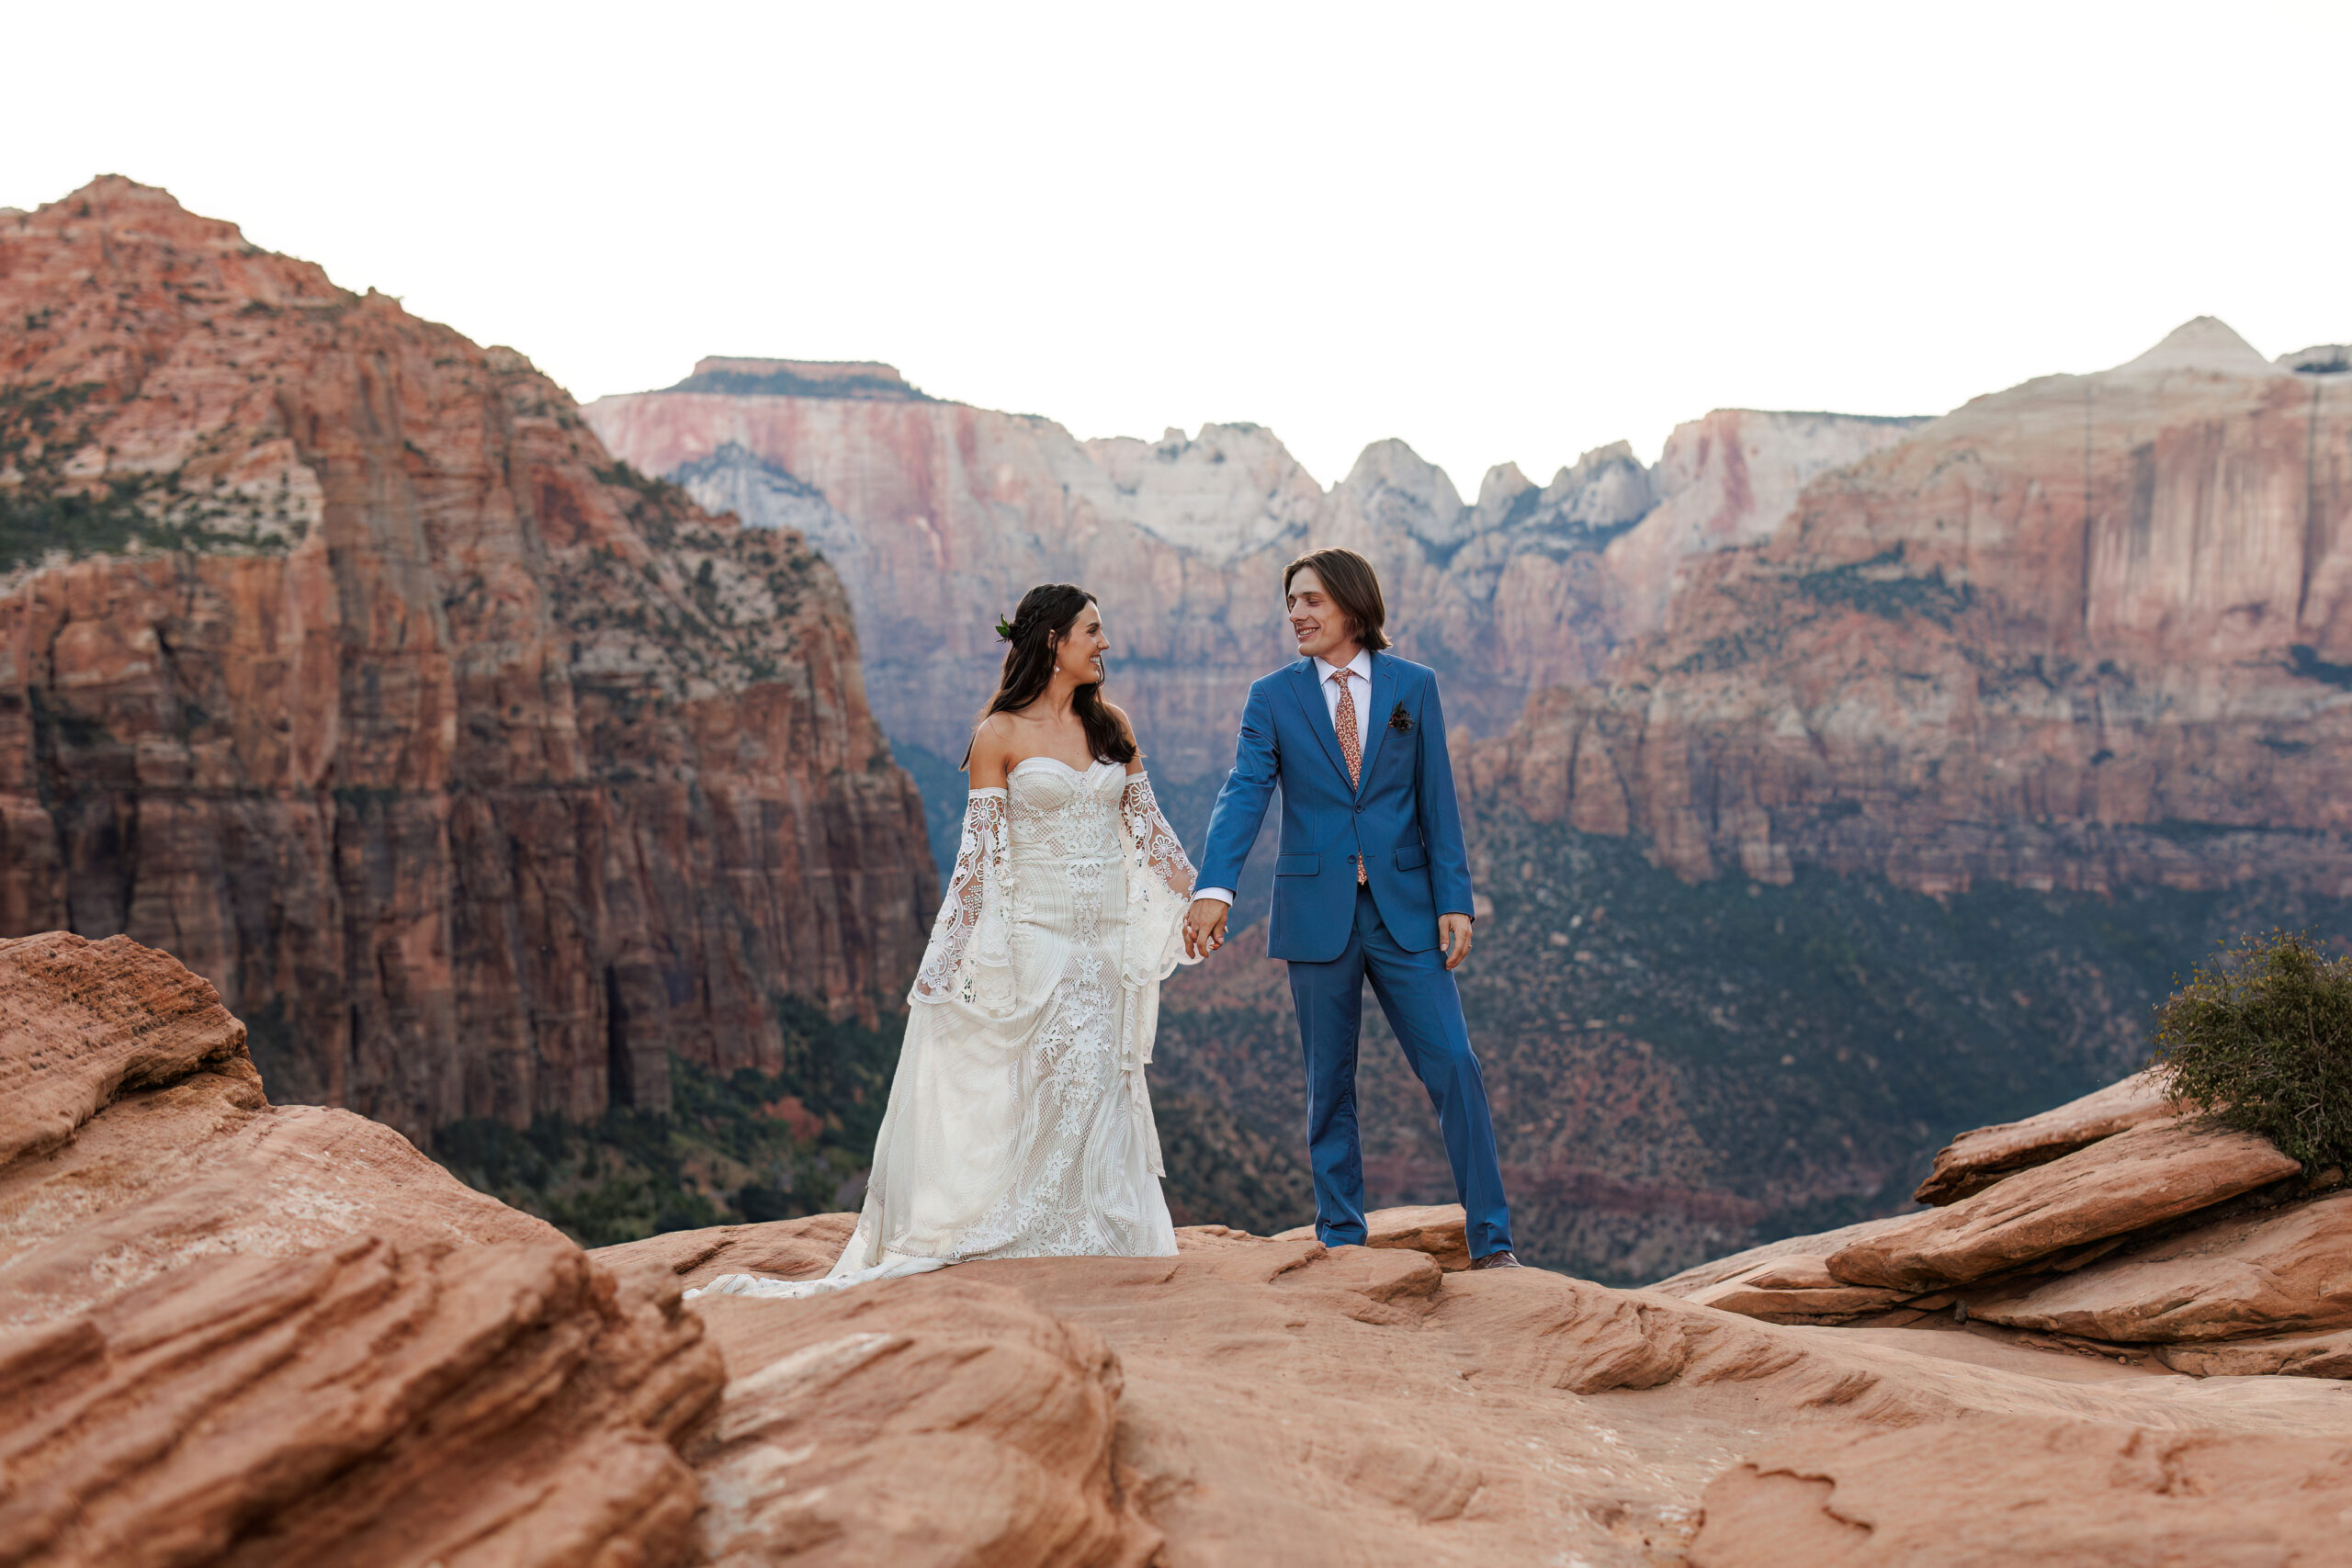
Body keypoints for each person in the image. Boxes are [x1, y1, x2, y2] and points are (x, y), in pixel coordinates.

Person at [693, 584, 1197, 1300]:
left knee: (1100, 1088)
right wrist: (943, 967)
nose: (1104, 643)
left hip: (1107, 949)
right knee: (1045, 1086)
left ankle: (1100, 1227)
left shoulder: (1112, 726)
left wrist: (1199, 896)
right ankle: (1028, 1229)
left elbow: (1150, 831)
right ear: (1053, 641)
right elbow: (977, 864)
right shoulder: (998, 735)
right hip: (1038, 943)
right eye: (1092, 630)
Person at [1186, 547, 1521, 1268]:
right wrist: (1216, 887)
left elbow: (1439, 799)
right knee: (1328, 1085)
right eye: (1291, 604)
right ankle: (1342, 1240)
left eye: (1310, 601)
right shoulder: (1272, 695)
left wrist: (1454, 899)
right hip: (1315, 912)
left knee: (1456, 1066)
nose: (1297, 616)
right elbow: (1244, 790)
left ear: (1351, 604)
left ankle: (1493, 1245)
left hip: (1406, 910)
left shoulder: (1414, 687)